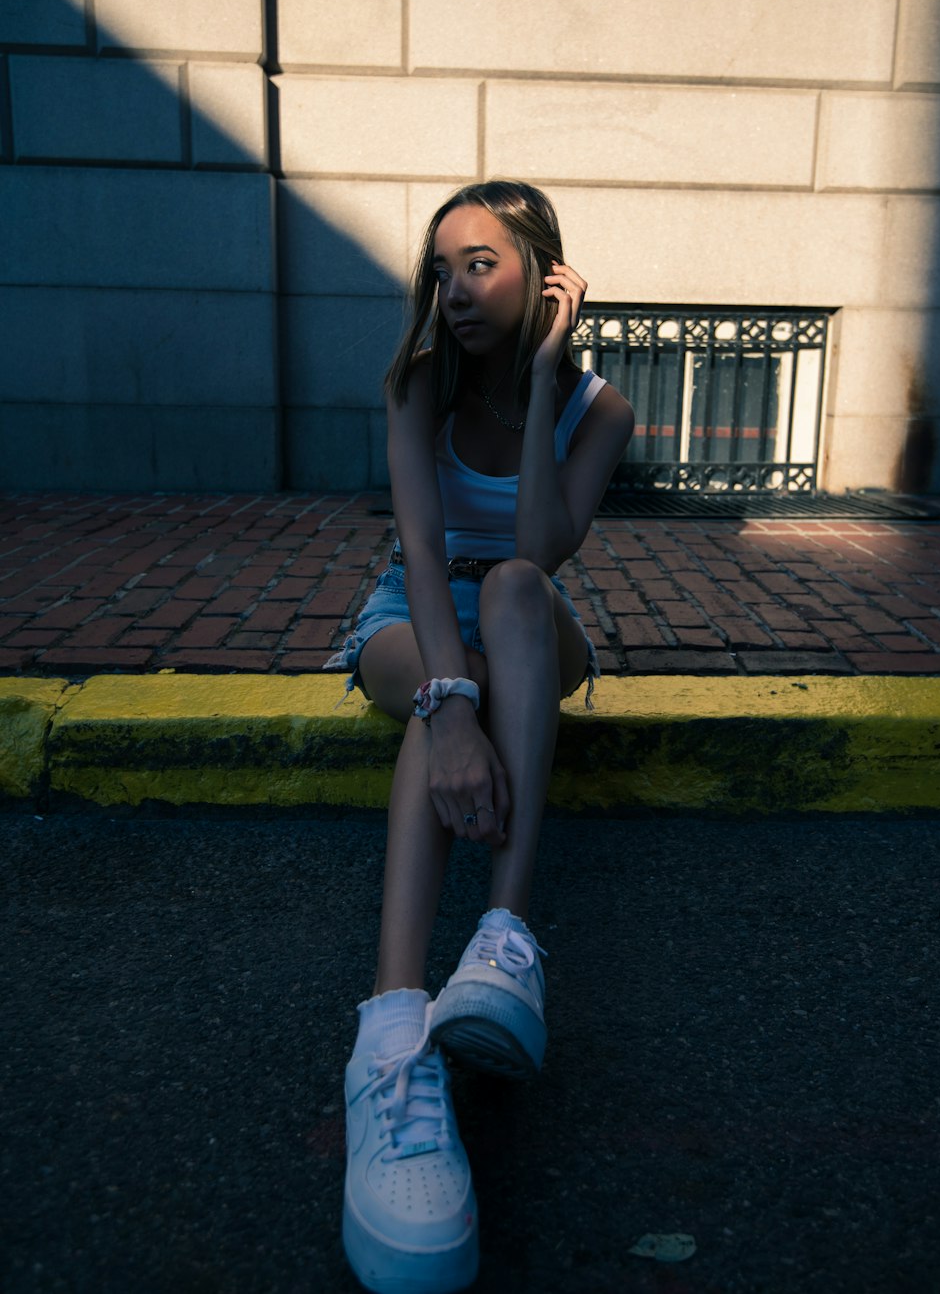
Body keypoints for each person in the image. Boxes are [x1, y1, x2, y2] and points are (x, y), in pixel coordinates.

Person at [326, 180, 634, 1293]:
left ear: (544, 276)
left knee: (508, 580)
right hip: (412, 616)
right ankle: (395, 1030)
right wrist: (451, 704)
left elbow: (546, 549)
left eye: (481, 264)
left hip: (524, 616)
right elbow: (415, 551)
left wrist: (550, 378)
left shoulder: (596, 408)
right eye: (442, 267)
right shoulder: (418, 387)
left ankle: (501, 942)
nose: (453, 288)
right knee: (436, 682)